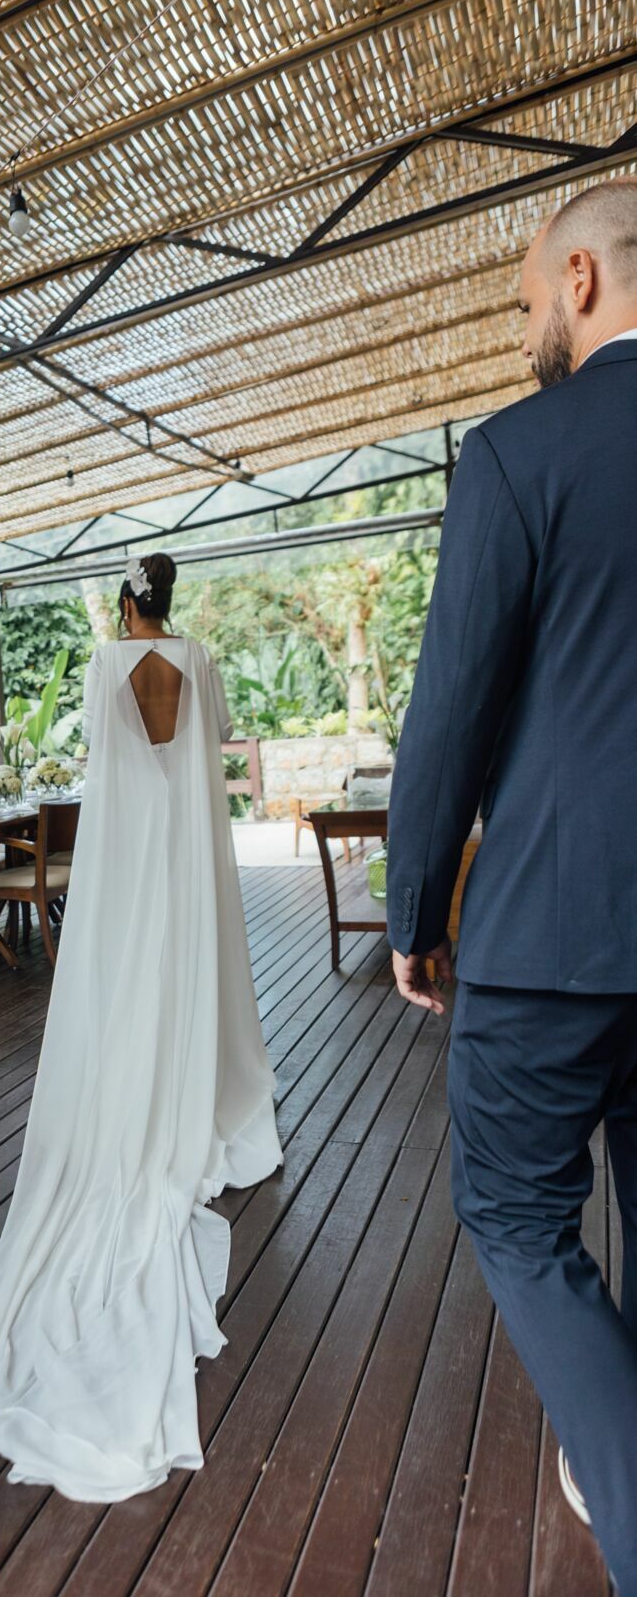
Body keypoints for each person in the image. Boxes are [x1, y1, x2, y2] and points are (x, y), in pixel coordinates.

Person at [0, 551, 282, 1500]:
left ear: (122, 601)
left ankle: (143, 1072)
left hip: (131, 853)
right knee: (187, 961)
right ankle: (194, 1079)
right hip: (186, 850)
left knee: (132, 972)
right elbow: (207, 745)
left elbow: (106, 767)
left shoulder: (108, 665)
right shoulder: (198, 660)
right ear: (169, 600)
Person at [387, 180, 637, 1594]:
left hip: (547, 932)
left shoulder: (513, 452)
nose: (527, 322)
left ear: (582, 280)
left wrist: (414, 913)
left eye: (533, 293)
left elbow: (449, 715)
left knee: (514, 1219)